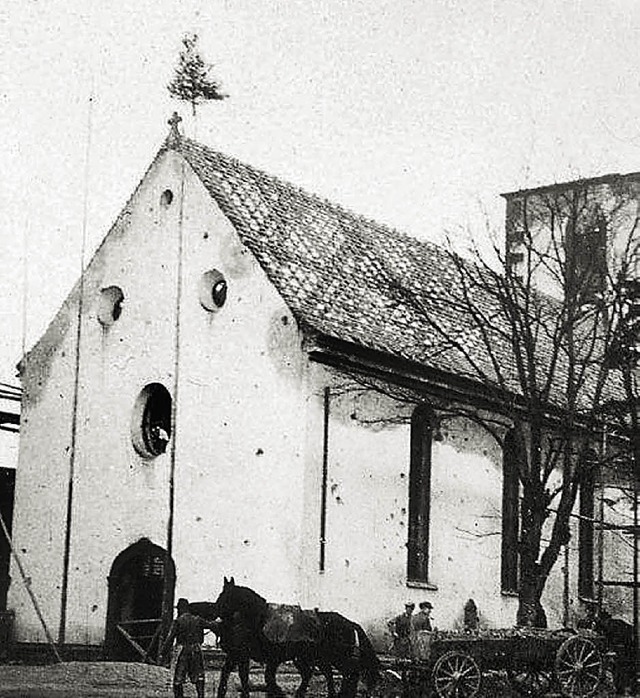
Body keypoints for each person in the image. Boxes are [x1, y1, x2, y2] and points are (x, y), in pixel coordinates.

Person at [160, 597, 219, 698]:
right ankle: (201, 696)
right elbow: (212, 625)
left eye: (178, 609)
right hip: (197, 649)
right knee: (199, 676)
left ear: (180, 609)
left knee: (178, 679)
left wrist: (163, 653)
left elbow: (170, 639)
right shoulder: (198, 619)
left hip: (183, 651)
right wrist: (218, 622)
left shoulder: (178, 621)